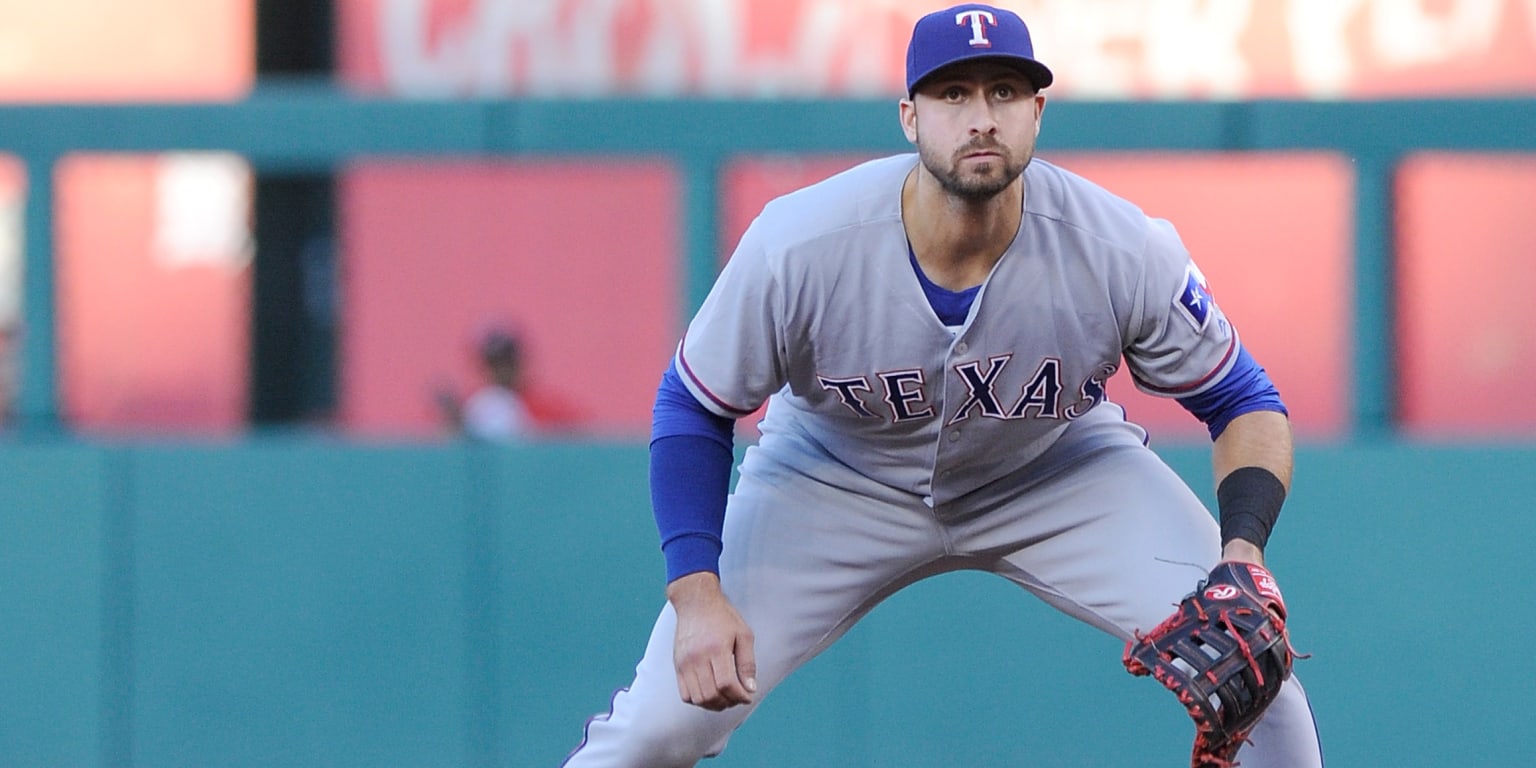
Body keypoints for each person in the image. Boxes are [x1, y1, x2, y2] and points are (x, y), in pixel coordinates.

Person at [562, 4, 1323, 766]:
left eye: (1003, 92)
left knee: (1264, 686)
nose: (981, 117)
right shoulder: (799, 243)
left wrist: (1243, 553)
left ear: (1037, 113)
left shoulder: (1122, 246)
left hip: (1054, 471)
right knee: (660, 729)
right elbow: (695, 404)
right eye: (953, 95)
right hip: (831, 478)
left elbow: (1243, 401)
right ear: (909, 117)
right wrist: (695, 593)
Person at [435, 326, 534, 441]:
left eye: (507, 362)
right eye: (494, 364)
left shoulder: (547, 407)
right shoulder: (472, 406)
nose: (502, 370)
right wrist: (457, 422)